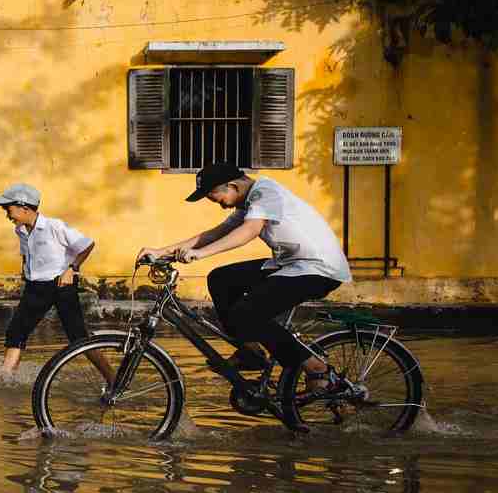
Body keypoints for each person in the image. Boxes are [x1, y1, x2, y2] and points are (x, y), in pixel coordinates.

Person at [136, 163, 352, 392]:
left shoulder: (266, 193)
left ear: (232, 186)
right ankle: (251, 352)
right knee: (221, 279)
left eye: (217, 198)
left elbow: (249, 231)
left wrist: (200, 254)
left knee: (247, 313)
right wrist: (163, 252)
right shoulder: (249, 201)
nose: (220, 206)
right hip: (291, 264)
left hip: (318, 268)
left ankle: (316, 368)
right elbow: (216, 233)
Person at [0, 183, 112, 382]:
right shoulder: (20, 230)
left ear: (25, 207)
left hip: (61, 286)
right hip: (35, 288)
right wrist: (26, 271)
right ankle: (5, 378)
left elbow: (87, 244)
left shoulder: (54, 226)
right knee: (16, 332)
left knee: (79, 338)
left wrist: (72, 269)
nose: (7, 215)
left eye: (9, 210)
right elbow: (27, 254)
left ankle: (113, 379)